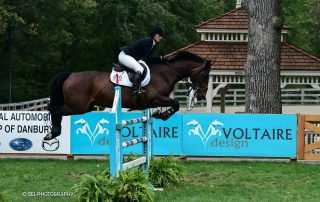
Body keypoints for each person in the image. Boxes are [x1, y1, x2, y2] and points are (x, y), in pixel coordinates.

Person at [118, 26, 164, 96]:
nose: (161, 38)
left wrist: (161, 59)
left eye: (162, 36)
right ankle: (135, 89)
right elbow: (149, 58)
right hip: (124, 56)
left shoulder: (153, 44)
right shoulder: (149, 41)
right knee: (140, 68)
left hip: (131, 57)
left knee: (142, 65)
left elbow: (149, 59)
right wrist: (160, 58)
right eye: (160, 35)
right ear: (155, 34)